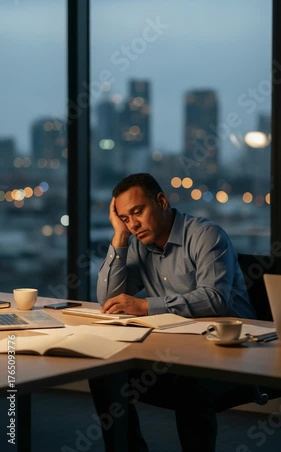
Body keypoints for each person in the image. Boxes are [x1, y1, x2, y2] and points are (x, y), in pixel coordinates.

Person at [89, 173, 256, 452]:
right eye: (125, 218)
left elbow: (214, 299)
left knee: (191, 387)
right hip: (176, 351)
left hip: (230, 355)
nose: (134, 224)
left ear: (162, 201)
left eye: (137, 212)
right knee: (104, 374)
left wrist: (145, 306)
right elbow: (109, 300)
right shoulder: (139, 244)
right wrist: (119, 238)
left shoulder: (205, 235)